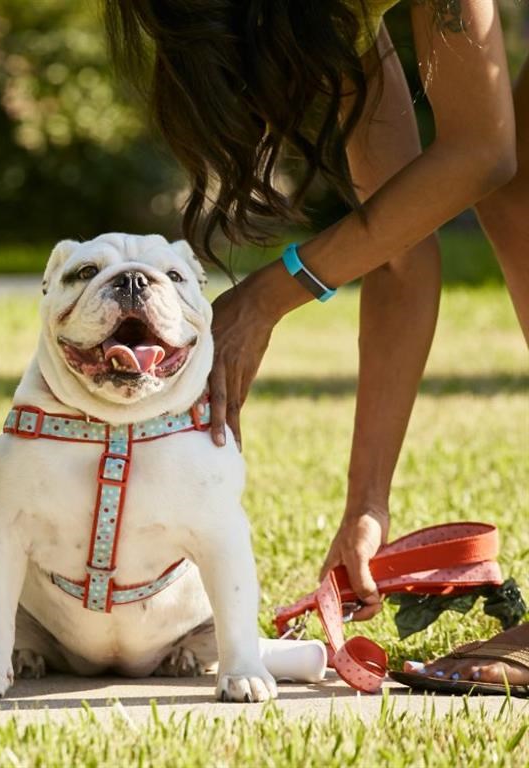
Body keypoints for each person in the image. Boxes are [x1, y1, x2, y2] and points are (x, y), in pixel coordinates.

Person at [106, 0, 527, 693]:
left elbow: (480, 153)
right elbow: (400, 249)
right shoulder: (327, 18)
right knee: (522, 197)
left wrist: (272, 295)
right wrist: (368, 505)